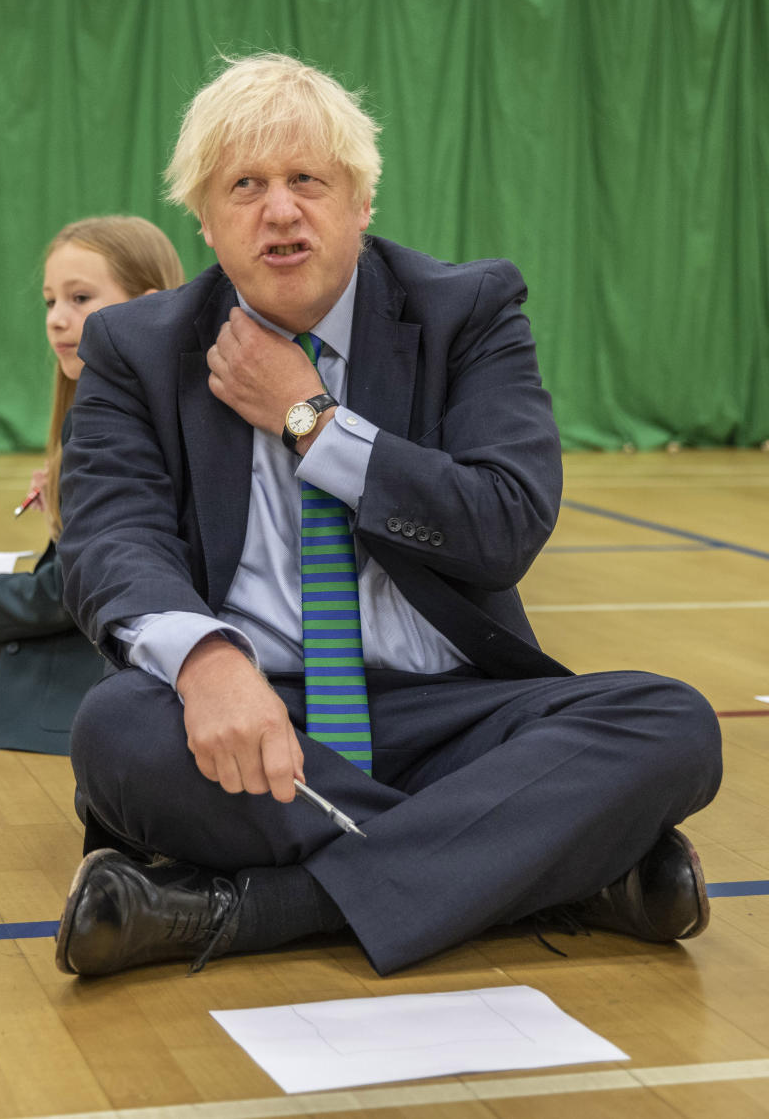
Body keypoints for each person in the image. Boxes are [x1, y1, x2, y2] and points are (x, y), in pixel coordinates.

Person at [53, 54, 722, 978]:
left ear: (361, 204)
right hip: (257, 714)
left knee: (669, 722)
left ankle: (246, 910)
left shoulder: (468, 311)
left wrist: (311, 422)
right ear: (204, 220)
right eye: (244, 185)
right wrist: (207, 662)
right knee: (116, 730)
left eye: (307, 181)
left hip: (452, 715)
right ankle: (551, 870)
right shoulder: (137, 344)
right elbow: (108, 537)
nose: (280, 210)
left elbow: (506, 522)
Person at [0, 215, 184, 755]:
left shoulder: (109, 419)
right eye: (51, 302)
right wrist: (64, 507)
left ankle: (12, 685)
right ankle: (0, 673)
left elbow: (75, 591)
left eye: (79, 298)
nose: (57, 319)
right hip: (127, 634)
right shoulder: (157, 401)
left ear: (146, 304)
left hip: (115, 651)